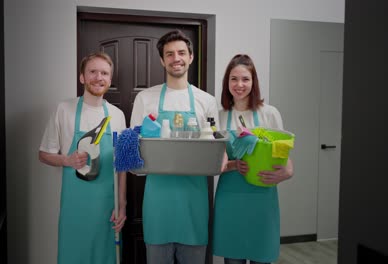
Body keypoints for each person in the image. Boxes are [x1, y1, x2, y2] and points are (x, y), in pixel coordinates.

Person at [130, 29, 220, 264]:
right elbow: (129, 152)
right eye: (169, 54)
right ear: (162, 60)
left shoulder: (207, 101)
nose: (175, 58)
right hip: (158, 202)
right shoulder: (145, 98)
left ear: (191, 57)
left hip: (194, 202)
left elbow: (214, 154)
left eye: (181, 52)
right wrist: (133, 162)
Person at [39, 51, 127, 264]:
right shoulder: (64, 110)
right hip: (75, 210)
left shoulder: (117, 115)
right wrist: (66, 160)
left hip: (107, 209)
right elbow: (43, 154)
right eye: (93, 72)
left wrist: (122, 204)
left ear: (110, 79)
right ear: (82, 77)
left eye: (104, 73)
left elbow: (121, 165)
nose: (99, 77)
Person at [212, 54, 294, 264]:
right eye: (234, 79)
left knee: (261, 256)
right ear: (227, 82)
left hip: (262, 199)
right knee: (233, 259)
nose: (239, 85)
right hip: (230, 199)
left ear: (253, 81)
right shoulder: (219, 116)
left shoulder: (270, 113)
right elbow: (211, 161)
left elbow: (284, 158)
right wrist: (232, 165)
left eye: (245, 79)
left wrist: (286, 173)